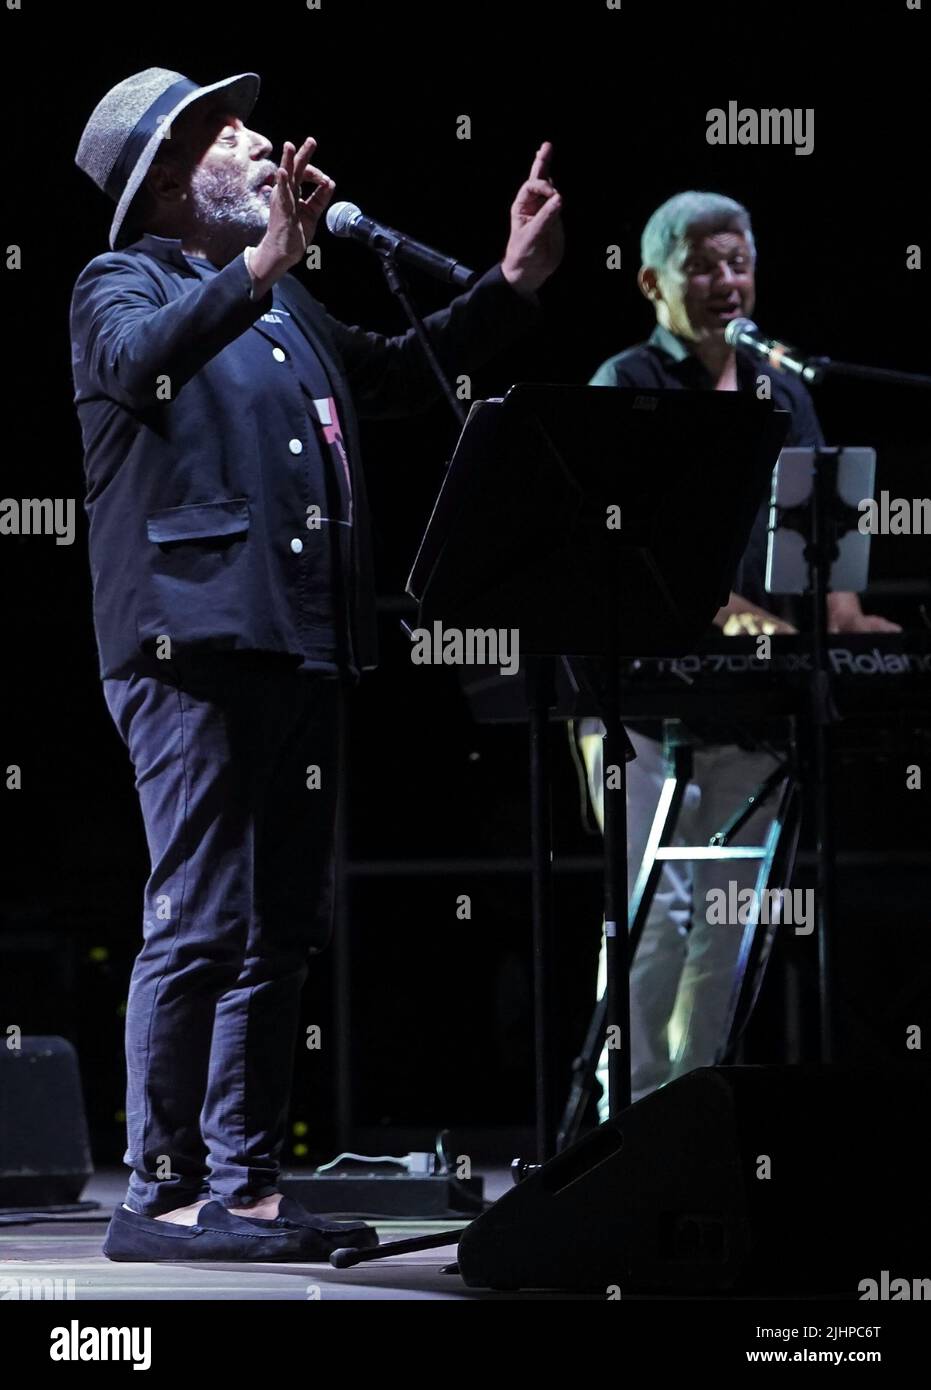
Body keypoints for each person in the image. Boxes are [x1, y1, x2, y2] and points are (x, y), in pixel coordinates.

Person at [71, 67, 563, 1261]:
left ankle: (243, 1184)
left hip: (301, 639)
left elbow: (398, 374)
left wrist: (506, 287)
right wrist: (261, 267)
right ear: (170, 181)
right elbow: (145, 365)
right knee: (200, 915)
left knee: (282, 925)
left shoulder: (286, 307)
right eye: (226, 135)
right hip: (192, 643)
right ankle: (162, 1189)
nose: (259, 144)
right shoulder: (119, 282)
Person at [578, 191, 897, 1116]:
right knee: (654, 917)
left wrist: (843, 615)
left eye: (738, 263)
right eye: (703, 265)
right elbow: (625, 537)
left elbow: (818, 520)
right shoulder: (626, 381)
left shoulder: (779, 384)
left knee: (726, 922)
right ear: (651, 281)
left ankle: (692, 1118)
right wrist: (730, 613)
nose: (726, 283)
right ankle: (619, 1123)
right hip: (638, 703)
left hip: (750, 700)